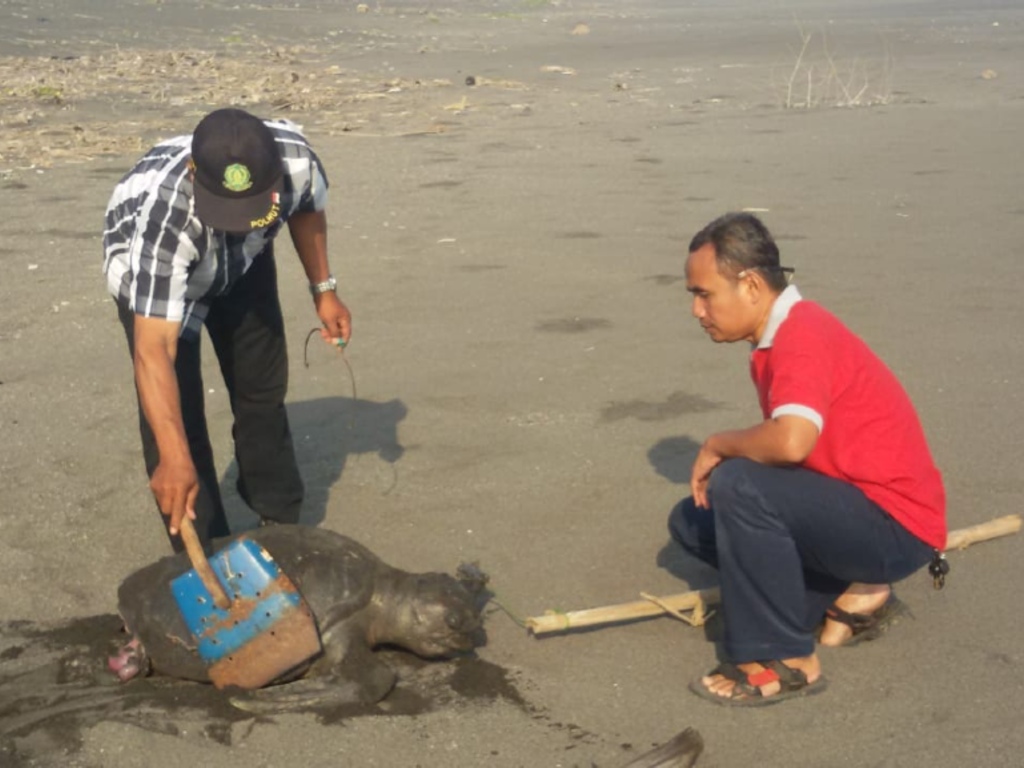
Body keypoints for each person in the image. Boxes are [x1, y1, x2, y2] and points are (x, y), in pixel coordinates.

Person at [669, 212, 946, 706]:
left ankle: (788, 659)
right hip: (855, 509)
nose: (696, 310)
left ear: (751, 285)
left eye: (704, 293)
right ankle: (850, 594)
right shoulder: (780, 336)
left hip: (895, 524)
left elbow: (792, 442)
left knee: (736, 483)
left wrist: (717, 443)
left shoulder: (802, 334)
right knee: (694, 520)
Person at [103, 108, 352, 552]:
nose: (235, 221)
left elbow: (307, 211)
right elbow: (153, 350)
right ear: (194, 173)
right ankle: (203, 548)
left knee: (262, 390)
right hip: (157, 273)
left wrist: (324, 290)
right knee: (178, 427)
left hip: (244, 261)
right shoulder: (163, 220)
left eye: (251, 207)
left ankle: (280, 524)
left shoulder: (297, 161)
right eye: (227, 210)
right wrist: (173, 456)